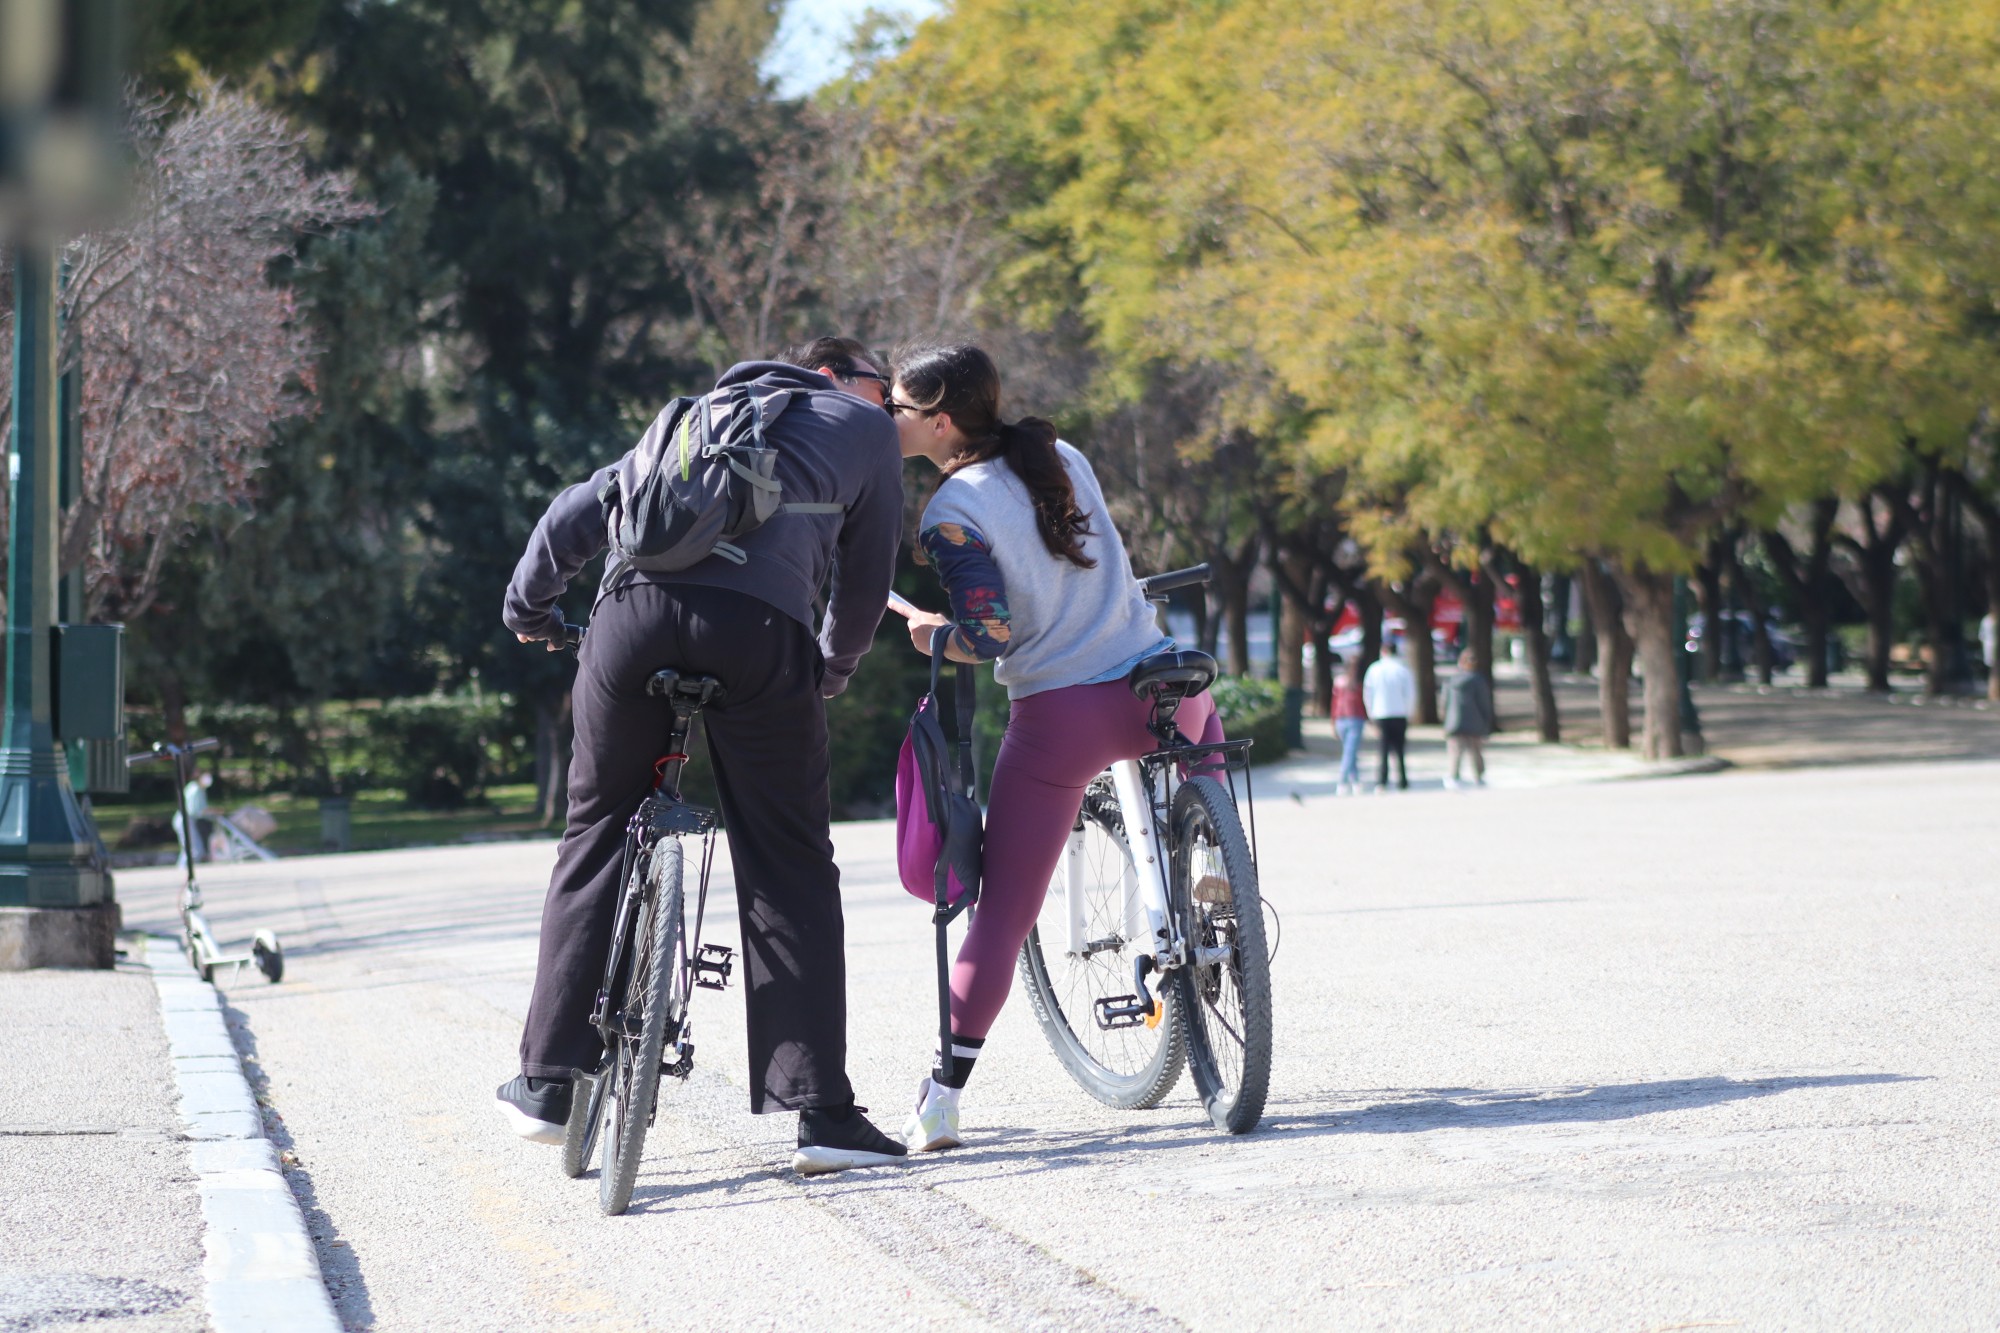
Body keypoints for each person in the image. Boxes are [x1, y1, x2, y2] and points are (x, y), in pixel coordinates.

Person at [496, 336, 912, 1176]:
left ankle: (545, 1081)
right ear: (838, 377)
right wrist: (831, 665)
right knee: (788, 857)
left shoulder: (692, 415)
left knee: (596, 830)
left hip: (628, 620)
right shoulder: (861, 430)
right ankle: (821, 1111)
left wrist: (530, 609)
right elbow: (866, 579)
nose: (891, 406)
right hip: (761, 635)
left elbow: (582, 508)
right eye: (883, 387)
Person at [886, 344, 1226, 1155]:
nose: (887, 420)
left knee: (1001, 915)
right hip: (1162, 686)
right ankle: (1217, 863)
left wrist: (934, 633)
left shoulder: (949, 511)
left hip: (1062, 717)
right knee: (1204, 745)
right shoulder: (1060, 454)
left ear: (937, 420)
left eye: (896, 408)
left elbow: (991, 633)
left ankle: (942, 1098)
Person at [1362, 640, 1414, 791]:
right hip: (1400, 713)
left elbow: (1368, 693)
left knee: (1383, 749)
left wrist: (1370, 714)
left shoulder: (1374, 669)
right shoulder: (1403, 669)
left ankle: (1382, 781)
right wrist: (1408, 712)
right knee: (1400, 749)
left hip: (1381, 713)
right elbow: (1410, 694)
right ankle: (1402, 781)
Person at [1442, 650, 1494, 789]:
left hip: (1454, 722)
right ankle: (1479, 776)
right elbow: (1484, 703)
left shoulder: (1451, 680)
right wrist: (1486, 721)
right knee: (1476, 752)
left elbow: (1444, 702)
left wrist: (1446, 720)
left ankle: (1454, 776)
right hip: (1475, 721)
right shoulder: (1478, 680)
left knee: (1455, 752)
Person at [1330, 657, 1367, 795]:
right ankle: (1343, 781)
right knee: (1350, 752)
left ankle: (1355, 781)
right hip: (1355, 718)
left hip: (1341, 719)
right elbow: (1362, 703)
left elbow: (1334, 704)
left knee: (1349, 751)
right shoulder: (1357, 683)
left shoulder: (1338, 682)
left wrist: (1333, 721)